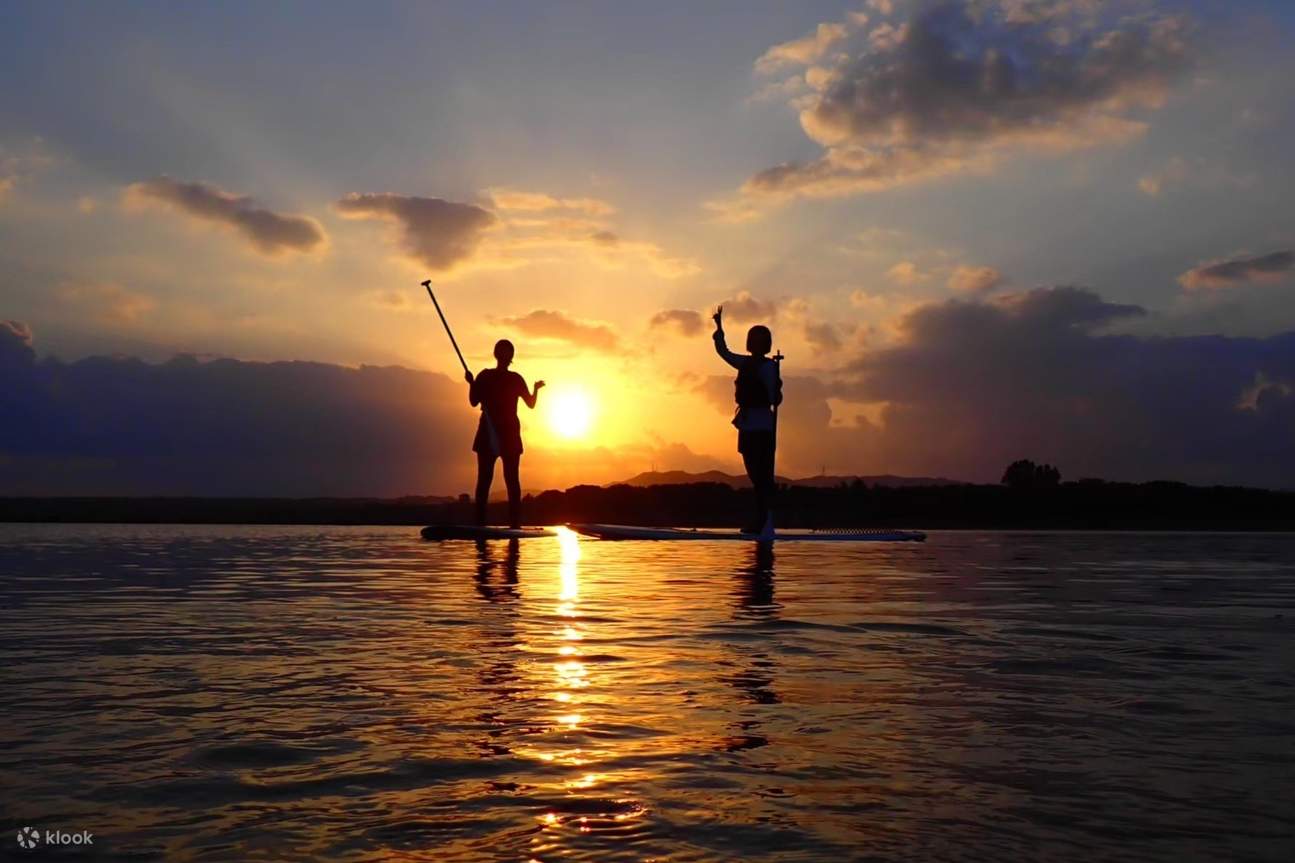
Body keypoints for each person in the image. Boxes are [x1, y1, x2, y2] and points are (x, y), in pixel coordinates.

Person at [711, 307, 782, 534]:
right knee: (754, 474)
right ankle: (760, 518)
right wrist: (719, 330)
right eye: (755, 340)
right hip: (748, 424)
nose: (757, 345)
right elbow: (725, 353)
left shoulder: (770, 367)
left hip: (762, 425)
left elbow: (773, 397)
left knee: (762, 475)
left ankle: (763, 519)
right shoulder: (745, 363)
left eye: (761, 341)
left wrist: (774, 396)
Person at [466, 339, 544, 528]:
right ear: (496, 353)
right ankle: (479, 524)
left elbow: (531, 403)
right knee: (484, 479)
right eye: (501, 350)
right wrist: (471, 383)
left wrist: (535, 389)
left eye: (506, 351)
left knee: (512, 480)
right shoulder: (484, 376)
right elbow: (474, 401)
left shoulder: (516, 378)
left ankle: (515, 524)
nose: (503, 354)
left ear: (511, 356)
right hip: (488, 432)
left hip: (509, 434)